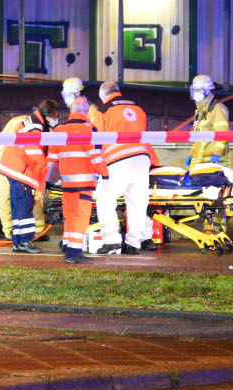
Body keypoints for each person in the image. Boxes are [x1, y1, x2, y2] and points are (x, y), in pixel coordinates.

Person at [91, 81, 156, 255]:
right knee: (137, 202)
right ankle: (133, 243)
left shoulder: (103, 111)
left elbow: (96, 138)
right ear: (118, 92)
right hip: (142, 159)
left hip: (117, 160)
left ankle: (112, 241)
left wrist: (97, 164)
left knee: (105, 198)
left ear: (103, 96)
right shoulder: (138, 109)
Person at [0, 99, 60, 254]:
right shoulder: (36, 127)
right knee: (25, 207)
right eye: (56, 116)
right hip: (21, 172)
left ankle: (17, 241)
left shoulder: (30, 122)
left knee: (17, 208)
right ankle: (25, 241)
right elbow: (34, 152)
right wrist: (44, 166)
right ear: (49, 115)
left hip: (13, 169)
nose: (56, 120)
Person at [51, 92, 108, 263]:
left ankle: (68, 245)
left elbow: (52, 158)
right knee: (81, 216)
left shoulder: (59, 130)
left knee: (70, 215)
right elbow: (96, 156)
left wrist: (47, 182)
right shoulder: (89, 128)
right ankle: (74, 253)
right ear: (86, 110)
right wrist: (105, 174)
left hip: (67, 183)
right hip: (84, 182)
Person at [186, 73, 230, 167]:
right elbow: (197, 136)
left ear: (208, 90)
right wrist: (191, 153)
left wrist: (217, 154)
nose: (196, 93)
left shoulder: (217, 108)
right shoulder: (200, 111)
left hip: (213, 162)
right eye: (194, 90)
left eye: (199, 90)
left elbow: (223, 134)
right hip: (199, 162)